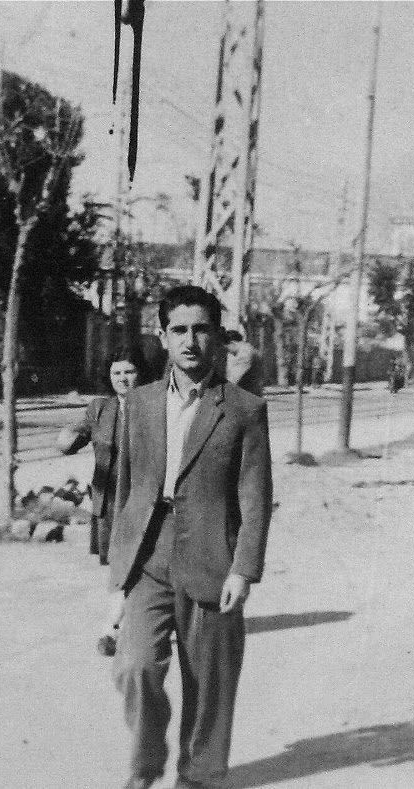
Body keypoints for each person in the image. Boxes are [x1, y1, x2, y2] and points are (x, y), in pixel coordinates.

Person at [108, 285, 273, 789]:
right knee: (134, 668)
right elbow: (127, 490)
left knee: (209, 683)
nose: (191, 340)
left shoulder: (244, 409)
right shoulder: (137, 404)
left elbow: (255, 497)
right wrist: (118, 571)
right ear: (161, 337)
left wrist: (244, 569)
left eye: (202, 329)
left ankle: (198, 777)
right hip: (149, 553)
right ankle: (144, 766)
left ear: (218, 338)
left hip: (212, 555)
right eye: (179, 329)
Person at [57, 345, 147, 652]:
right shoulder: (99, 408)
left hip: (143, 499)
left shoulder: (154, 405)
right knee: (121, 565)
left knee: (136, 563)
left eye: (129, 372)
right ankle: (123, 623)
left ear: (141, 374)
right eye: (116, 373)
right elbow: (76, 436)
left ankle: (111, 628)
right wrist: (67, 438)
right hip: (109, 502)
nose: (122, 379)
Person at [221, 328, 264, 397]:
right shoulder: (248, 349)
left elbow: (234, 379)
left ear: (232, 343)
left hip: (247, 397)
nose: (227, 352)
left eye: (227, 348)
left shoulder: (245, 353)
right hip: (250, 395)